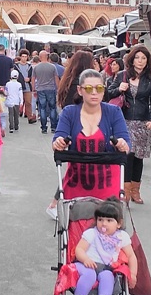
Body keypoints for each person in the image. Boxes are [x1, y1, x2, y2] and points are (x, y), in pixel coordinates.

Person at [49, 69, 131, 220]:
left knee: (107, 233)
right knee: (76, 234)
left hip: (107, 184)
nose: (94, 92)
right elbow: (58, 137)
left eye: (99, 88)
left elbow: (125, 141)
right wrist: (59, 142)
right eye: (88, 88)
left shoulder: (114, 112)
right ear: (80, 90)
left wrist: (122, 144)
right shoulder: (69, 112)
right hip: (76, 183)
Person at [105, 45, 151, 206]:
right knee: (127, 155)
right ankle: (125, 191)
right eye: (137, 57)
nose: (140, 61)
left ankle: (136, 190)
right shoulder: (122, 75)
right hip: (125, 120)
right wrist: (118, 89)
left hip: (143, 122)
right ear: (132, 59)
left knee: (138, 158)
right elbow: (108, 93)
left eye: (143, 58)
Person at [70, 200, 138, 295]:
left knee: (108, 276)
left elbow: (131, 256)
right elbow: (79, 249)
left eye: (109, 220)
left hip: (106, 267)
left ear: (118, 224)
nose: (104, 224)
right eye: (100, 220)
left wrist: (133, 274)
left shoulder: (122, 237)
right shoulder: (91, 233)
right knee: (90, 274)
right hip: (85, 264)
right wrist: (85, 259)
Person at [33, 50, 60, 134]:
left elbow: (33, 79)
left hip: (40, 89)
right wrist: (58, 88)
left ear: (40, 57)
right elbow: (56, 78)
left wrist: (34, 89)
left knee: (42, 108)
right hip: (51, 89)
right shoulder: (52, 67)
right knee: (52, 108)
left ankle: (44, 128)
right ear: (47, 57)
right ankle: (53, 127)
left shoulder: (36, 67)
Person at [16, 50, 37, 123]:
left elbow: (33, 76)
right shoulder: (16, 66)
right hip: (18, 87)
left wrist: (29, 79)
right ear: (20, 57)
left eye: (25, 57)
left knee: (28, 102)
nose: (24, 58)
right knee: (18, 102)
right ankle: (17, 115)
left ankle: (30, 117)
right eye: (23, 56)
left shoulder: (30, 66)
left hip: (27, 86)